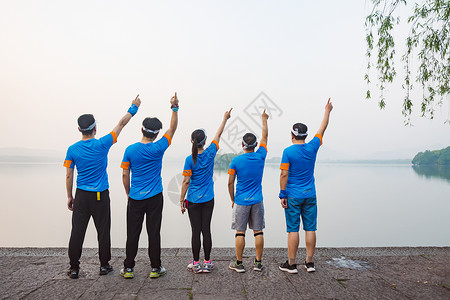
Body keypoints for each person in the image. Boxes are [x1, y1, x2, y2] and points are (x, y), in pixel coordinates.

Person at [64, 95, 141, 279]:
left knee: (77, 231)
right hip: (100, 195)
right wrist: (133, 108)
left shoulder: (72, 149)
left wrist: (69, 196)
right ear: (95, 128)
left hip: (81, 194)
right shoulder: (103, 144)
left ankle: (74, 268)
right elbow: (120, 125)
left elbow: (69, 174)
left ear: (79, 129)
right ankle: (104, 265)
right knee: (103, 230)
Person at [119, 93, 179, 279]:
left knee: (133, 234)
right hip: (155, 197)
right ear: (157, 134)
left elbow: (124, 174)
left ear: (141, 130)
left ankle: (128, 268)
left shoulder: (130, 150)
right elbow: (173, 128)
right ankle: (155, 268)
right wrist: (174, 107)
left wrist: (129, 193)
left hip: (135, 197)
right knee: (154, 233)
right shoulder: (159, 147)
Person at [278, 98, 333, 274]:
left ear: (292, 135)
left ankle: (292, 264)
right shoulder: (313, 147)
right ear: (306, 136)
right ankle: (309, 263)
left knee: (293, 229)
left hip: (293, 196)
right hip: (310, 194)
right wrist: (327, 111)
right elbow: (322, 128)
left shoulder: (288, 152)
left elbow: (284, 174)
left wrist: (282, 194)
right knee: (310, 228)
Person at [179, 108, 232, 273]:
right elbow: (219, 134)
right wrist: (225, 118)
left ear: (191, 141)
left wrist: (181, 200)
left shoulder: (189, 160)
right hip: (209, 198)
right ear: (205, 141)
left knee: (195, 231)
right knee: (206, 229)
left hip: (193, 200)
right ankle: (207, 262)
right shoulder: (210, 153)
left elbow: (186, 181)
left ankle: (195, 263)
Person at [227, 110, 269, 273]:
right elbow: (265, 137)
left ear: (243, 145)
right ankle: (258, 263)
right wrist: (264, 120)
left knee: (240, 233)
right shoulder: (261, 156)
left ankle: (239, 263)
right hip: (257, 200)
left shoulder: (236, 160)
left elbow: (230, 182)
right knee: (258, 231)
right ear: (255, 145)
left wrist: (233, 198)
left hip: (241, 201)